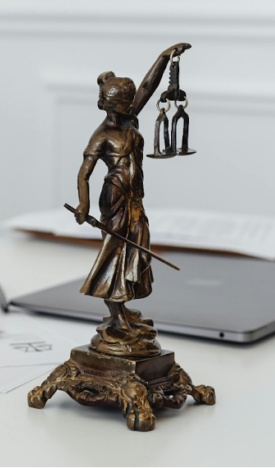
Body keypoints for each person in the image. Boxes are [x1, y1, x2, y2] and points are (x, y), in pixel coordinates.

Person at [73, 42, 190, 357]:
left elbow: (148, 89)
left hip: (136, 198)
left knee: (138, 252)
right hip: (114, 200)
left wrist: (163, 58)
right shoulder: (102, 136)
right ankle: (117, 318)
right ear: (114, 106)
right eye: (128, 102)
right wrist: (83, 205)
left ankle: (123, 314)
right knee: (116, 255)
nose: (134, 104)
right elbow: (84, 173)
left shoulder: (129, 119)